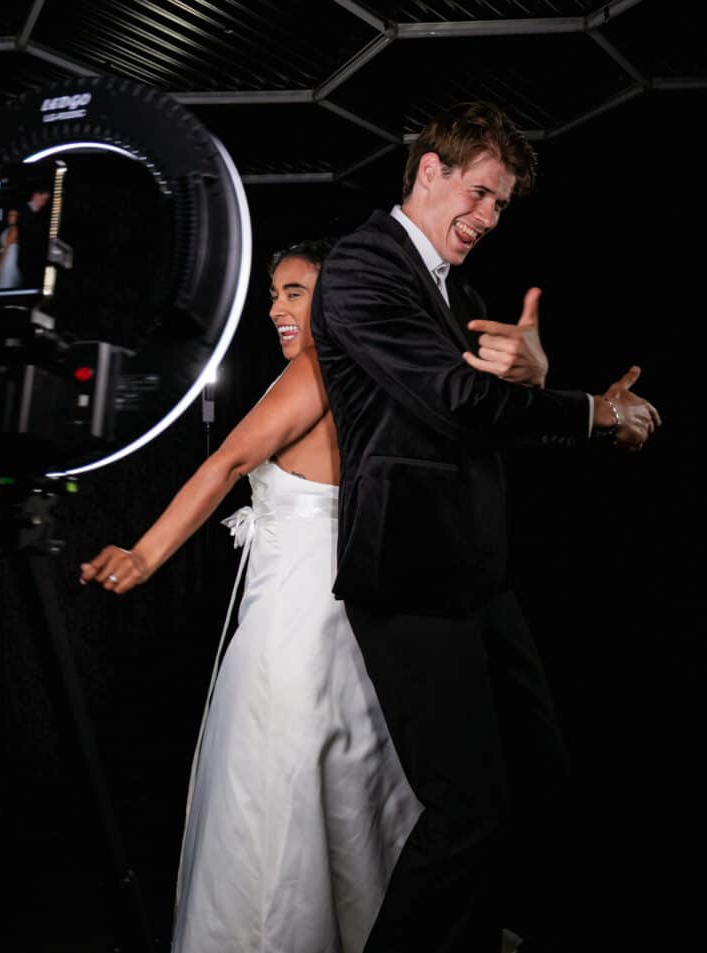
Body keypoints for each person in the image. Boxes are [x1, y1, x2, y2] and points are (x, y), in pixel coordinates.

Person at [311, 101, 662, 952]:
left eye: (501, 205)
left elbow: (495, 408)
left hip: (478, 573)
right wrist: (590, 411)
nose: (487, 218)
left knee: (539, 775)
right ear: (429, 170)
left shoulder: (457, 289)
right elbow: (463, 403)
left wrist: (539, 382)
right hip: (408, 576)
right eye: (479, 192)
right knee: (466, 810)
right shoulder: (361, 269)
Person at [80, 240, 427, 953]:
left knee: (272, 795)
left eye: (295, 291)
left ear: (339, 298)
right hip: (327, 619)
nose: (276, 306)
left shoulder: (317, 370)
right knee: (330, 788)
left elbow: (227, 459)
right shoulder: (369, 374)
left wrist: (145, 554)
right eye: (274, 293)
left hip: (293, 629)